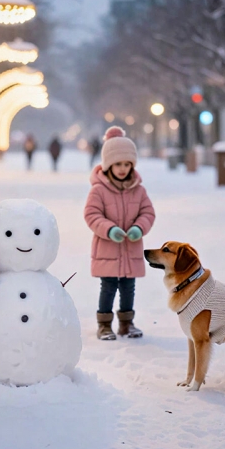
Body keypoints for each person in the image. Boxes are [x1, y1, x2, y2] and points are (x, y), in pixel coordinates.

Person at [84, 126, 155, 340]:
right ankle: (104, 324)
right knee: (108, 287)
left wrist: (139, 228)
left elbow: (148, 212)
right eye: (117, 164)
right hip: (108, 248)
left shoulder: (139, 190)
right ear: (108, 165)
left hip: (130, 248)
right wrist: (109, 229)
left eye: (127, 164)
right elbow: (91, 214)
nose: (123, 169)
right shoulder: (99, 190)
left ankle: (126, 323)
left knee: (128, 287)